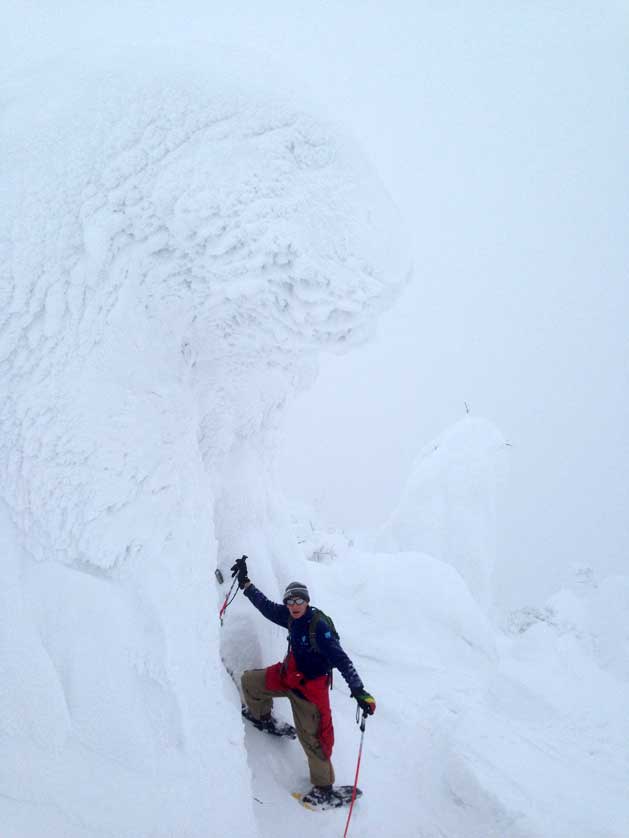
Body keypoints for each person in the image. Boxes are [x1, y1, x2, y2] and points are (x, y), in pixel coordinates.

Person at [231, 556, 375, 805]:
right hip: (288, 676)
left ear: (307, 602)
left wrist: (359, 691)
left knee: (314, 740)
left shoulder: (319, 627)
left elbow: (342, 660)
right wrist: (245, 584)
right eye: (290, 601)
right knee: (250, 683)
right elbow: (265, 606)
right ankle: (262, 717)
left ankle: (324, 789)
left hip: (309, 692)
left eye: (299, 600)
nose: (294, 605)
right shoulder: (289, 616)